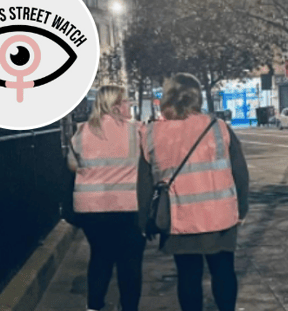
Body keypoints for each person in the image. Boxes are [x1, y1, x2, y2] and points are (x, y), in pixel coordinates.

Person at [138, 73, 249, 311]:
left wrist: (144, 221)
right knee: (224, 272)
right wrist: (242, 208)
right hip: (220, 218)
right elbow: (240, 172)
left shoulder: (152, 133)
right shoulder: (218, 128)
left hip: (181, 219)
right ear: (197, 97)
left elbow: (144, 183)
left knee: (188, 276)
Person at [67, 85, 145, 311]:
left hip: (91, 209)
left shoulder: (81, 132)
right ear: (115, 105)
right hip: (128, 207)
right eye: (126, 101)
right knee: (129, 263)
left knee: (100, 258)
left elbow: (72, 165)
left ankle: (94, 307)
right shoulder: (137, 131)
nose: (129, 105)